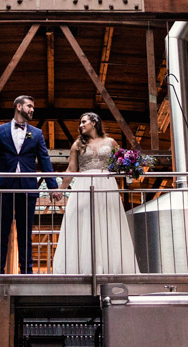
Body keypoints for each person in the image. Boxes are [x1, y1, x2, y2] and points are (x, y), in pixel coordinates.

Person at [52, 112, 139, 274]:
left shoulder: (111, 142)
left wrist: (130, 166)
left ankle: (110, 267)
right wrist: (61, 189)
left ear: (94, 122)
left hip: (106, 185)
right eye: (80, 122)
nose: (80, 125)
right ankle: (83, 267)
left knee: (108, 221)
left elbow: (120, 163)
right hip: (84, 184)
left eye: (84, 122)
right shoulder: (78, 144)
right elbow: (71, 169)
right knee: (84, 221)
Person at [0, 95, 61, 274]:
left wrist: (52, 186)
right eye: (29, 106)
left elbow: (44, 160)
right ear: (18, 107)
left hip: (27, 187)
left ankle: (26, 271)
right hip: (4, 187)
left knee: (25, 231)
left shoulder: (36, 133)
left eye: (33, 107)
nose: (32, 110)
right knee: (2, 230)